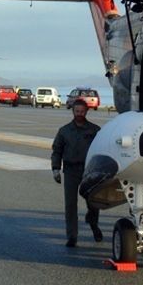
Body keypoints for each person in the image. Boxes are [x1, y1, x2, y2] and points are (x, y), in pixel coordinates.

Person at [51, 98, 102, 247]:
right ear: (73, 111)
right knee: (71, 204)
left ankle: (93, 224)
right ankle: (72, 236)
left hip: (89, 171)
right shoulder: (64, 131)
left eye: (82, 111)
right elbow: (57, 151)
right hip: (71, 170)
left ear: (86, 111)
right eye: (77, 111)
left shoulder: (95, 130)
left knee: (93, 202)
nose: (79, 114)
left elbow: (102, 149)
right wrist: (55, 169)